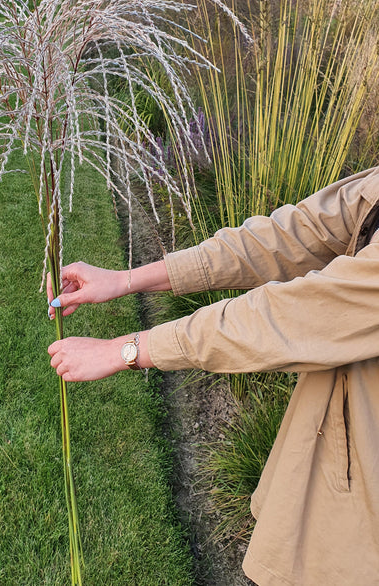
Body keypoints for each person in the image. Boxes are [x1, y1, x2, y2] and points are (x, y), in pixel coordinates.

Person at [47, 167, 379, 586]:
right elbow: (286, 237)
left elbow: (286, 317)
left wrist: (125, 350)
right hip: (336, 445)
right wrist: (125, 280)